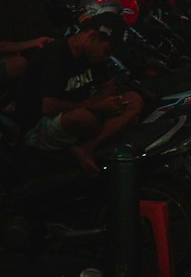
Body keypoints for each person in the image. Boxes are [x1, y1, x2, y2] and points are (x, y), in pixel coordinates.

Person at [16, 12, 143, 174]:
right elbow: (48, 106)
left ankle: (86, 147)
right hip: (40, 125)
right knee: (83, 117)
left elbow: (109, 86)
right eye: (107, 51)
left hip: (83, 109)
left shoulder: (93, 57)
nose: (107, 56)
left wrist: (105, 104)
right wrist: (98, 106)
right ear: (92, 37)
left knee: (133, 100)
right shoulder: (56, 54)